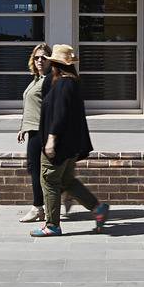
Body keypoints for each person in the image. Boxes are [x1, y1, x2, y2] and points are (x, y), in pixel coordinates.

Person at [31, 44, 110, 237]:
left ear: (57, 64)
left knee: (49, 180)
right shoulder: (71, 82)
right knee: (66, 180)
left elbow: (60, 114)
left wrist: (51, 139)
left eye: (52, 62)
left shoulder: (63, 84)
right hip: (69, 146)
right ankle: (97, 208)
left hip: (59, 145)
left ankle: (52, 225)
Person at [16, 43, 52, 223]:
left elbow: (51, 109)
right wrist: (23, 127)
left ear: (50, 60)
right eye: (37, 57)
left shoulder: (48, 80)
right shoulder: (36, 79)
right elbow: (31, 106)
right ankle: (44, 206)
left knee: (38, 170)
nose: (39, 60)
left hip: (41, 132)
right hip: (32, 130)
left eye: (44, 57)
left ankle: (38, 208)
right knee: (34, 169)